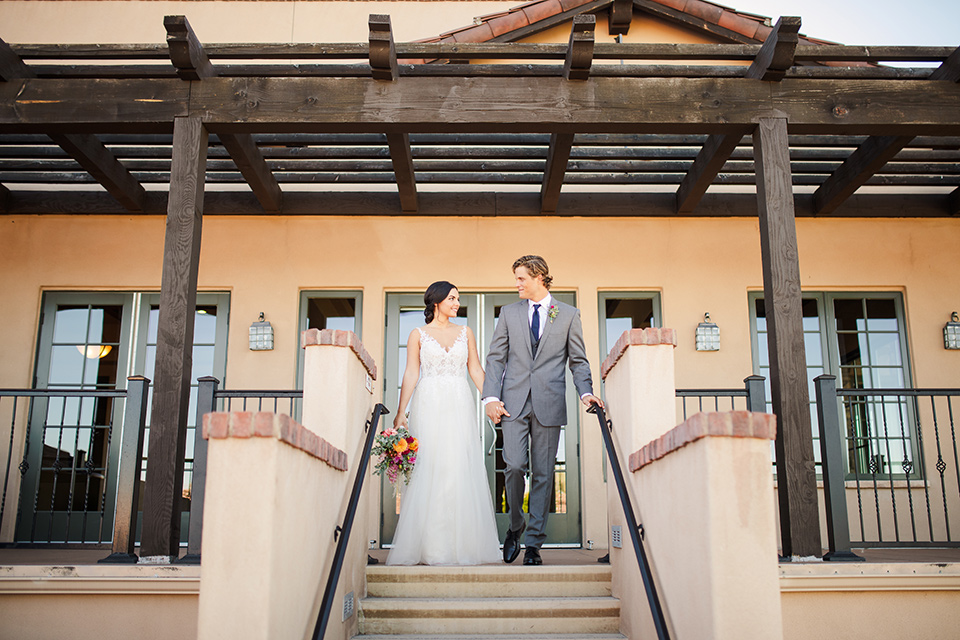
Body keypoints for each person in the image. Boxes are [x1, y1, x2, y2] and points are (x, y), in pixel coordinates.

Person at [483, 255, 602, 566]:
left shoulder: (567, 314)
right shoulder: (508, 314)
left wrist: (586, 392)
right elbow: (496, 358)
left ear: (538, 277)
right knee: (513, 465)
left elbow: (578, 360)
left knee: (544, 474)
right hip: (513, 402)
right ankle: (515, 527)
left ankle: (534, 543)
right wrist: (490, 397)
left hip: (549, 402)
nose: (517, 284)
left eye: (521, 278)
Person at [386, 281, 502, 565]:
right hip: (428, 404)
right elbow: (412, 373)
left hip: (459, 404)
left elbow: (475, 369)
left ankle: (462, 545)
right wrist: (402, 411)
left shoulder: (465, 333)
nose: (456, 303)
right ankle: (432, 547)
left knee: (457, 467)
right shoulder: (418, 334)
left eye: (457, 299)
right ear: (436, 302)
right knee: (432, 467)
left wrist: (492, 399)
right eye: (451, 298)